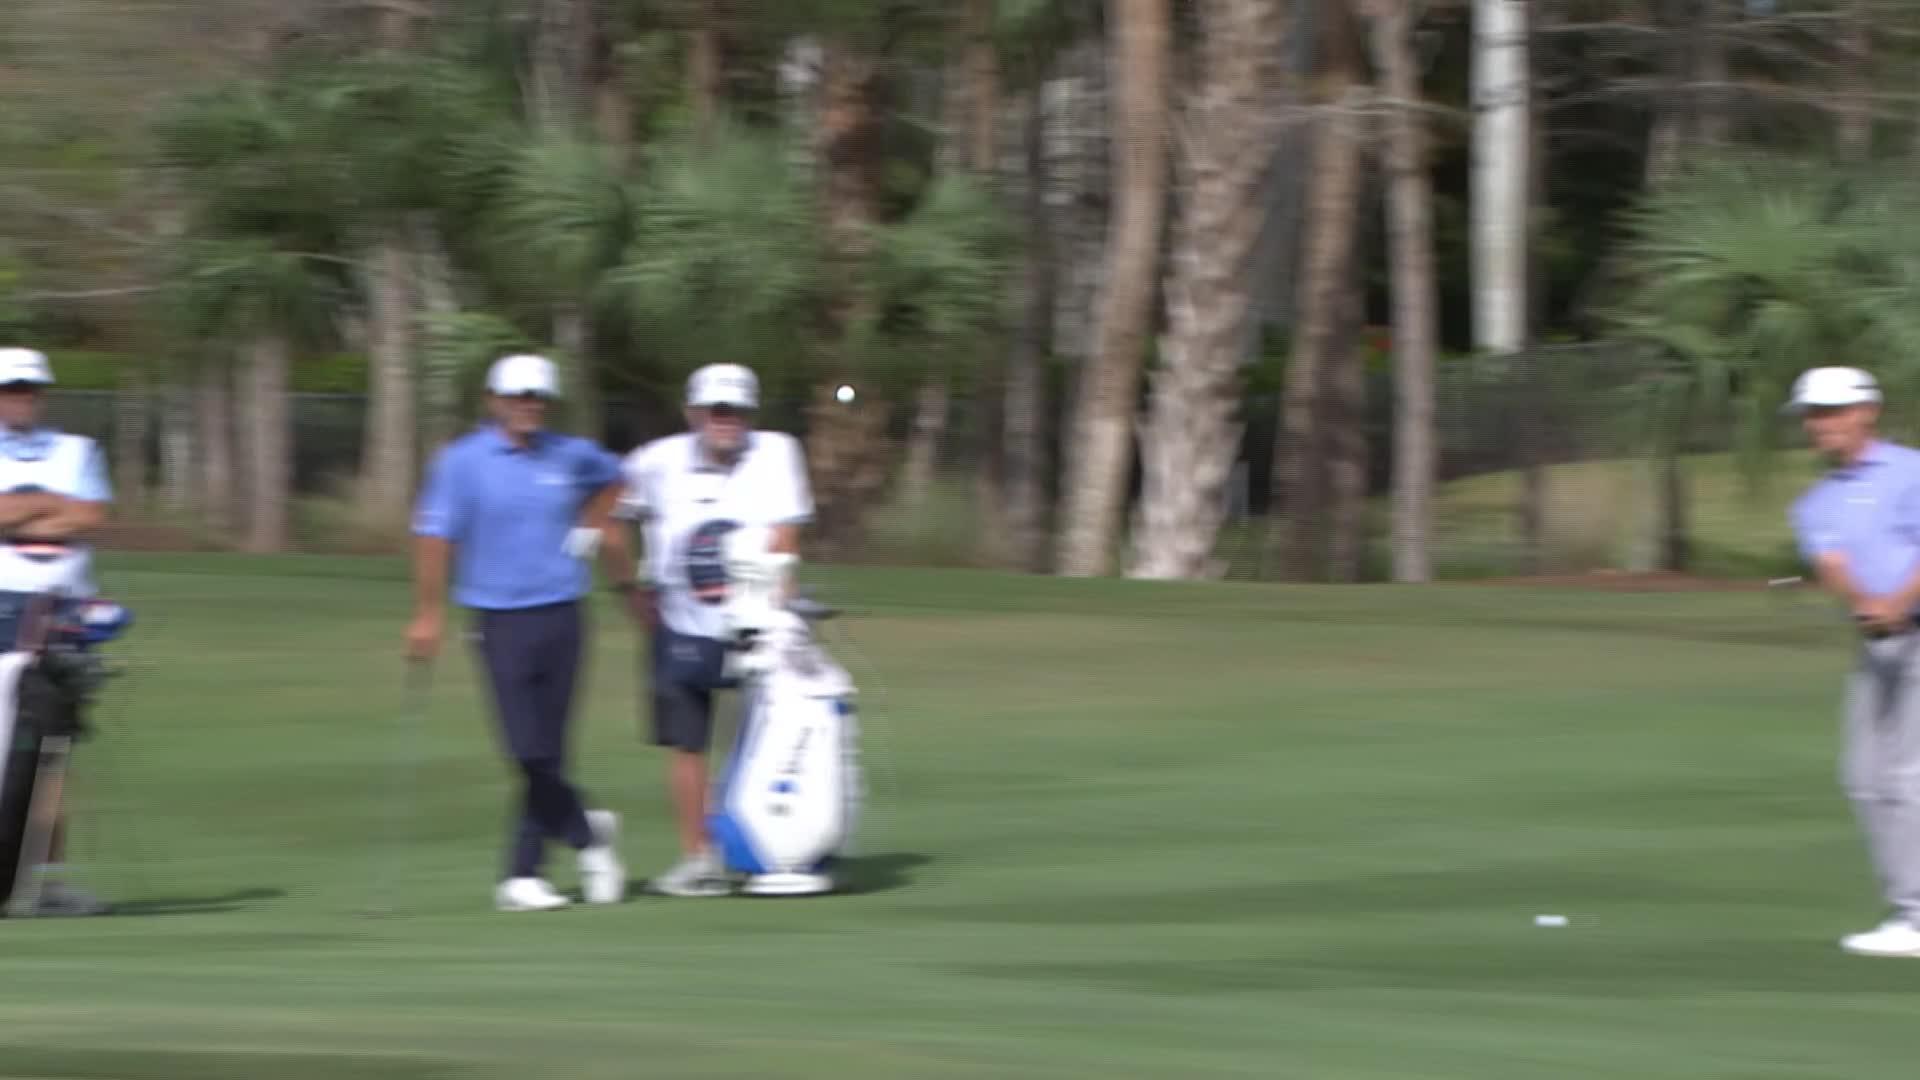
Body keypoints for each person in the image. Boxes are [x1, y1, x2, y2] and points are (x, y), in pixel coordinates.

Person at [407, 353, 644, 912]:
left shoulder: (569, 454)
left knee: (551, 750)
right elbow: (435, 537)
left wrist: (595, 521)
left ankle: (523, 876)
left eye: (536, 397)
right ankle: (588, 831)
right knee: (525, 749)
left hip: (563, 614)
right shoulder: (463, 462)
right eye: (516, 397)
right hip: (497, 618)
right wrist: (428, 614)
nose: (527, 406)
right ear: (493, 402)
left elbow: (617, 479)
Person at [614, 363, 814, 897]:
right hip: (680, 624)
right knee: (687, 745)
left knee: (767, 739)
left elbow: (787, 534)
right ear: (694, 413)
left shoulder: (777, 453)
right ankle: (699, 858)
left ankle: (769, 847)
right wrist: (630, 587)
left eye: (737, 411)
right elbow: (605, 510)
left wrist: (771, 596)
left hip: (757, 626)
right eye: (716, 410)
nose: (727, 421)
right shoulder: (656, 462)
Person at [1787, 365, 1920, 957]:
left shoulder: (1911, 472)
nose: (1821, 424)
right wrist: (1868, 606)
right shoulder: (1816, 503)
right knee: (1865, 778)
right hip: (1877, 644)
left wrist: (1897, 601)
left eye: (1833, 410)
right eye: (1813, 414)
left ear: (1867, 411)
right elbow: (1833, 565)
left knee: (1911, 777)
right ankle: (1908, 912)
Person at [0, 347, 112, 915]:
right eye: (10, 388)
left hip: (60, 613)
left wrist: (19, 510)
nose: (21, 397)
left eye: (29, 388)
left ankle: (44, 881)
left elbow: (91, 517)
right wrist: (48, 505)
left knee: (49, 756)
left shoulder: (76, 451)